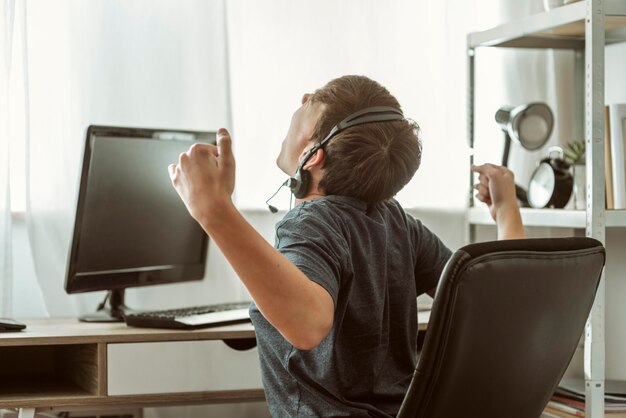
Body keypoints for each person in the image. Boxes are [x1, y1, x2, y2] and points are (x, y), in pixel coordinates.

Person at [168, 75, 524, 417]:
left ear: (313, 156)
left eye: (309, 105)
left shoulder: (310, 223)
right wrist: (508, 212)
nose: (303, 100)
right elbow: (498, 308)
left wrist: (215, 211)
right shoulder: (395, 222)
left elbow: (308, 323)